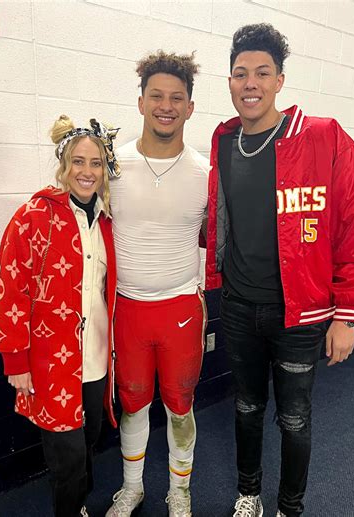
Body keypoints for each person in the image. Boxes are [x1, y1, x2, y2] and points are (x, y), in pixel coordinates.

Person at [204, 23, 354, 517]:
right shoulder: (224, 142)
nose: (251, 83)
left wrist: (347, 314)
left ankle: (290, 506)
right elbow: (217, 223)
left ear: (280, 80)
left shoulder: (324, 137)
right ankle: (249, 495)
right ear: (229, 81)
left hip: (301, 315)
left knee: (294, 418)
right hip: (240, 308)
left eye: (263, 72)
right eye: (241, 73)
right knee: (245, 408)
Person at [0, 115, 120, 517]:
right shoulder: (33, 216)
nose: (87, 171)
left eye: (96, 163)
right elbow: (12, 288)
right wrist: (16, 358)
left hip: (97, 356)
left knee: (89, 441)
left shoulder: (108, 221)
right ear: (64, 166)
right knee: (66, 455)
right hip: (51, 360)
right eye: (78, 162)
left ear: (105, 169)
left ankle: (78, 505)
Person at [105, 51, 209, 517]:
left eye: (177, 98)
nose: (166, 105)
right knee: (131, 404)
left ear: (189, 107)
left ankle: (179, 490)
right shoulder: (112, 168)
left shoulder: (207, 175)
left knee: (180, 406)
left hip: (181, 308)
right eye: (156, 96)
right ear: (141, 102)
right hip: (127, 309)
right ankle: (132, 486)